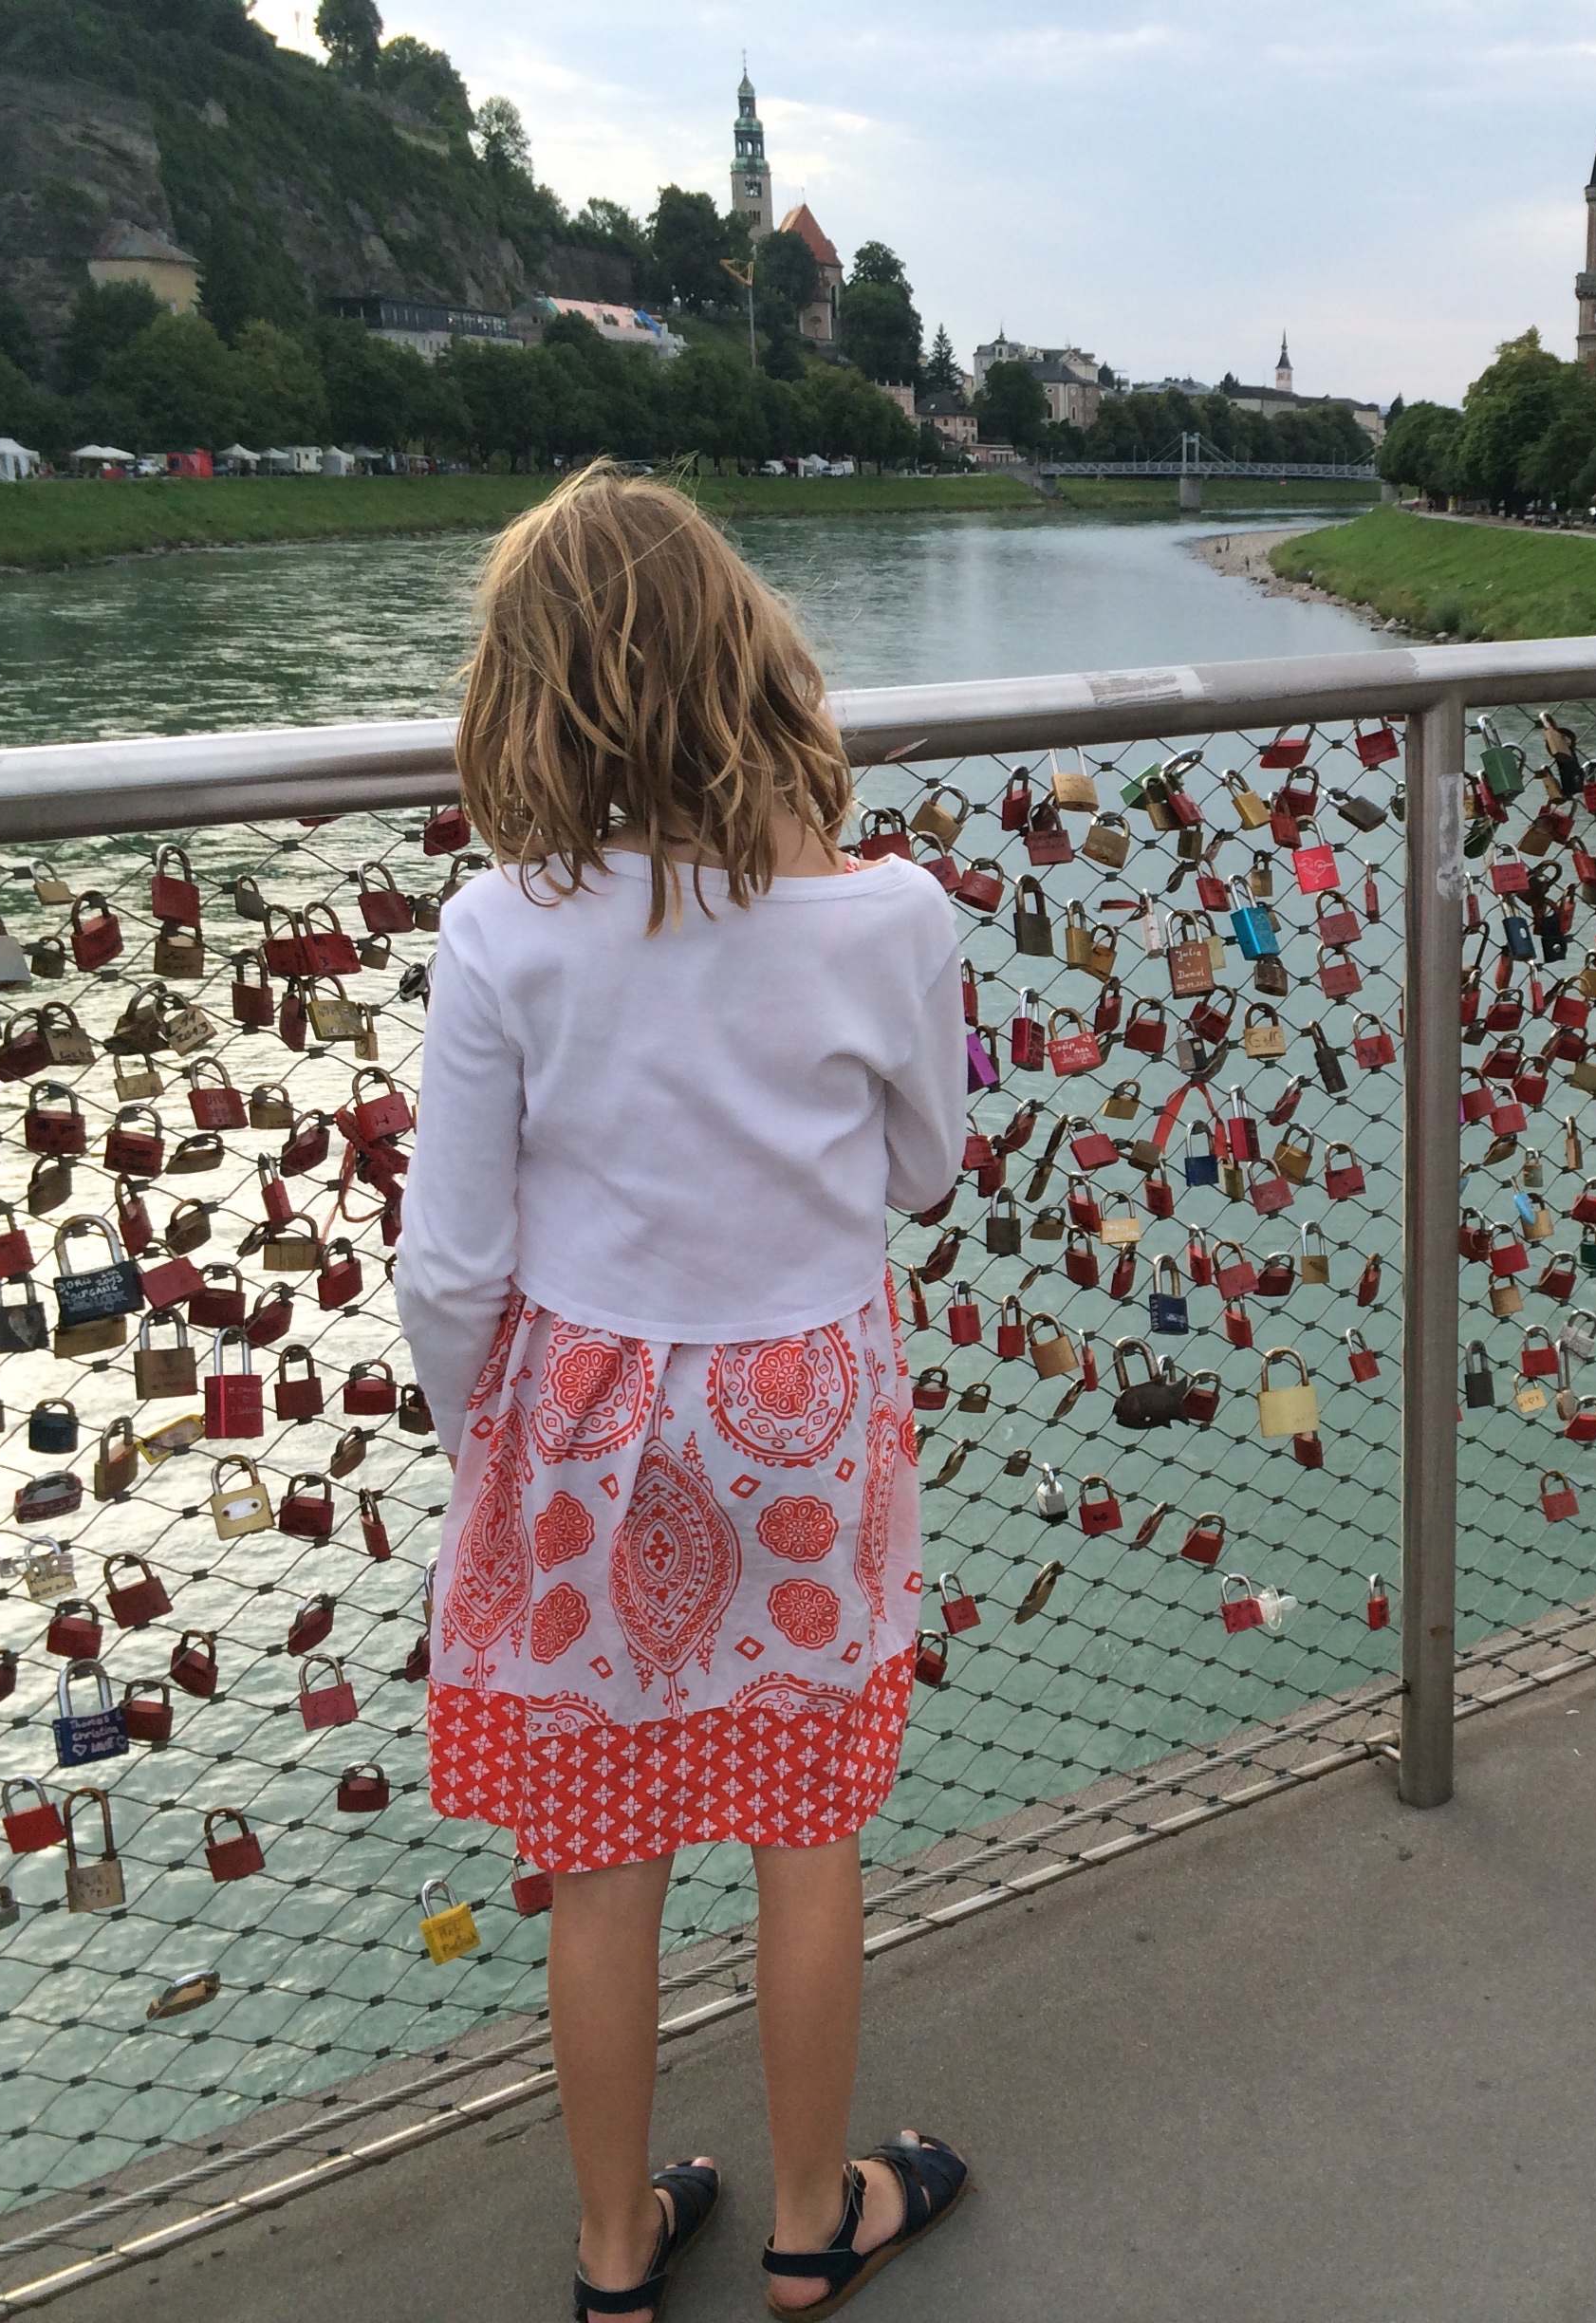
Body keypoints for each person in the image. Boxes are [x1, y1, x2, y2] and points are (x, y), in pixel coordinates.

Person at [398, 461, 973, 2321]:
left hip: (583, 1421)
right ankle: (812, 2219)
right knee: (807, 1835)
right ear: (752, 657)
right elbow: (926, 1170)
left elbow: (450, 1267)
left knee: (603, 1861)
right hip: (805, 1405)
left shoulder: (503, 928)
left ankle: (615, 2253)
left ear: (527, 694)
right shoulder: (892, 914)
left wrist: (484, 1448)